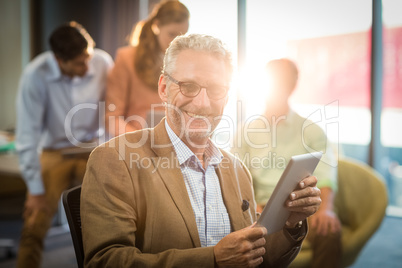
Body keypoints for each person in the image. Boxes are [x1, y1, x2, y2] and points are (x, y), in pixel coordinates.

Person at [81, 34, 322, 268]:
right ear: (164, 88)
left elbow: (261, 259)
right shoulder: (115, 159)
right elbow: (105, 262)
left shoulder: (237, 170)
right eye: (189, 86)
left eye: (216, 89)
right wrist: (212, 260)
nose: (202, 103)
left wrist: (291, 223)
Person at [15, 21, 113, 268]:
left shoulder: (102, 62)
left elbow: (115, 110)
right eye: (80, 63)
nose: (87, 66)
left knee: (107, 221)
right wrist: (35, 191)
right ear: (59, 60)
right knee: (35, 223)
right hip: (54, 152)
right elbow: (27, 135)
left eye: (88, 57)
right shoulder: (35, 75)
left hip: (92, 149)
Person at [232, 58, 342, 268]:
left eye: (282, 83)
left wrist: (326, 210)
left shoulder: (310, 130)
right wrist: (252, 208)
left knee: (330, 234)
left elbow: (327, 175)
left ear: (291, 87)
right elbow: (235, 178)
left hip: (302, 209)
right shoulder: (245, 131)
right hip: (259, 210)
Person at [106, 0, 190, 137]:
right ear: (156, 26)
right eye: (171, 34)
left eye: (182, 35)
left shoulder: (183, 64)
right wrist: (143, 141)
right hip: (136, 144)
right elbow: (112, 119)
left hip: (173, 145)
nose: (176, 42)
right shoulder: (127, 59)